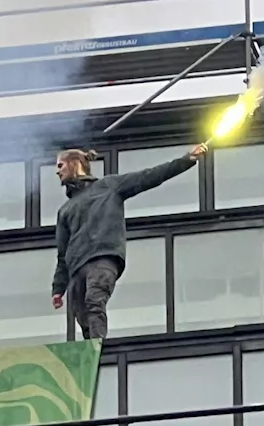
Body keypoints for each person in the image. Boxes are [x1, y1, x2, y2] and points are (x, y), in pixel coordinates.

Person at [51, 144, 209, 340]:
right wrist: (58, 288)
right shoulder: (65, 210)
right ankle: (92, 355)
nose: (57, 171)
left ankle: (98, 349)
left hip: (102, 258)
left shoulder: (108, 186)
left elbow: (148, 177)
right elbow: (62, 253)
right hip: (76, 267)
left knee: (94, 302)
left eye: (60, 165)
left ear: (75, 163)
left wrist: (186, 160)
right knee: (82, 316)